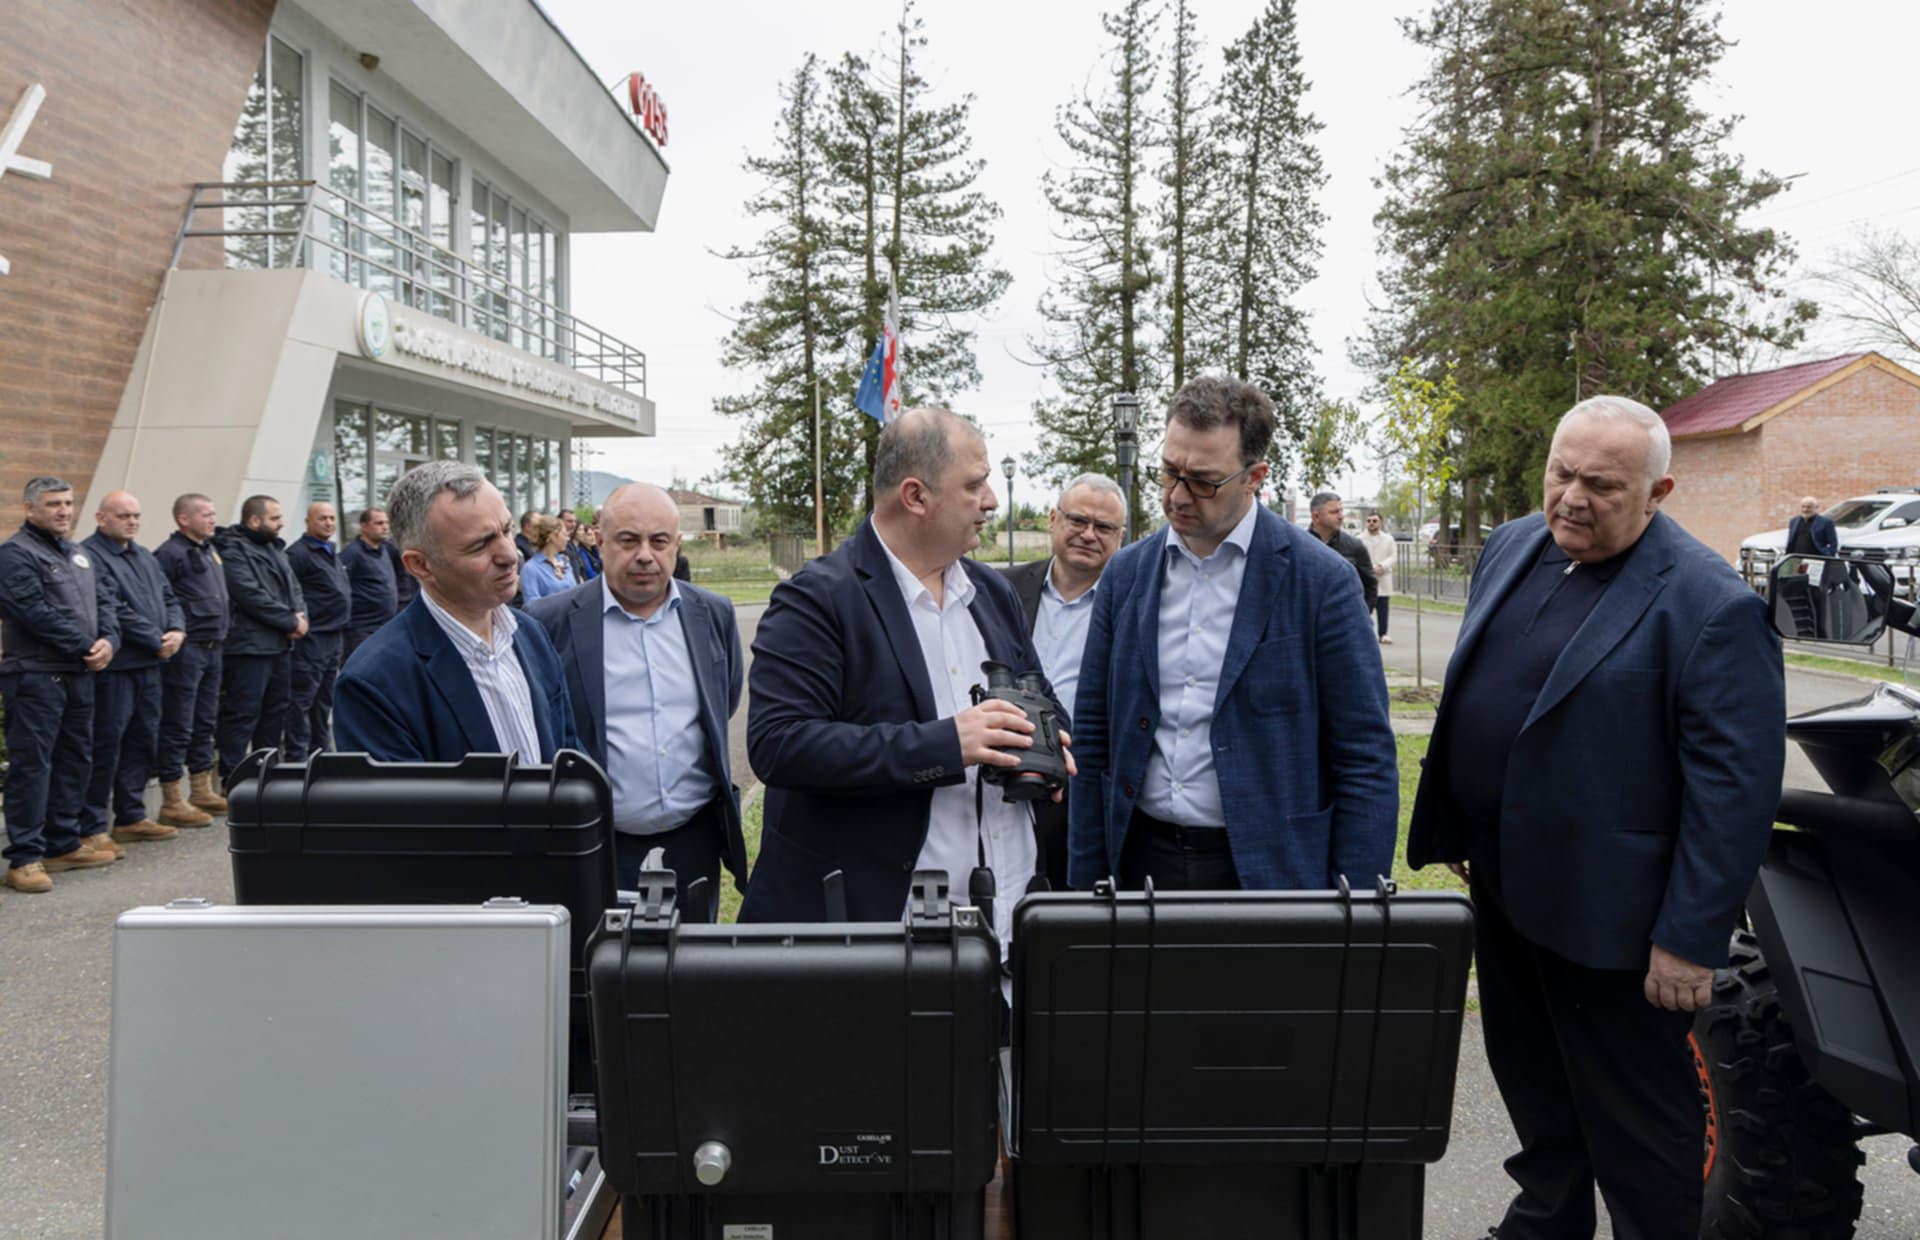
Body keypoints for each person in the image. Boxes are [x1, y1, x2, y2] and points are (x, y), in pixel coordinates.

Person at [1408, 396, 1786, 1240]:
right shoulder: (1514, 544)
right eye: (1561, 473)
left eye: (1602, 486)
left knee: (1638, 1125)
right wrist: (1465, 823)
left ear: (1659, 492)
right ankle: (1546, 1224)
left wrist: (1690, 938)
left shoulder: (1711, 604)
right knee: (1535, 1088)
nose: (1572, 499)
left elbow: (1735, 789)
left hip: (1620, 919)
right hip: (1506, 884)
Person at [740, 407, 1067, 946]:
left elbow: (1043, 700)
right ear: (915, 496)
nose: (991, 501)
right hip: (882, 934)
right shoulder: (817, 598)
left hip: (1007, 917)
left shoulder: (993, 592)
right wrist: (947, 744)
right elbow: (779, 744)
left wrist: (1050, 744)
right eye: (974, 485)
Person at [1067, 377, 1397, 893]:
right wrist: (1085, 881)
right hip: (1138, 863)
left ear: (1254, 477)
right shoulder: (1125, 575)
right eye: (1169, 472)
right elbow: (1092, 737)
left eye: (1203, 481)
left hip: (1272, 875)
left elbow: (1364, 757)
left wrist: (1354, 908)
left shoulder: (1322, 581)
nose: (1177, 495)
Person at [528, 483, 746, 913]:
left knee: (694, 954)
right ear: (599, 540)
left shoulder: (713, 614)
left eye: (659, 542)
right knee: (599, 954)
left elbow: (725, 700)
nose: (645, 555)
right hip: (596, 843)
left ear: (676, 545)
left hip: (695, 841)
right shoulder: (549, 622)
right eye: (628, 541)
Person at [334, 461, 579, 763]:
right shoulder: (374, 682)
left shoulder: (531, 634)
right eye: (480, 545)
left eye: (507, 530)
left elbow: (567, 752)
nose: (509, 555)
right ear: (420, 565)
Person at [997, 472, 1127, 889]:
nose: (1088, 534)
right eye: (1078, 520)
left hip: (1084, 789)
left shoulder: (1132, 604)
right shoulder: (1000, 589)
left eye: (1103, 527)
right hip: (1005, 775)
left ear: (1120, 537)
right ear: (1053, 519)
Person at [0, 477, 121, 892]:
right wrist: (86, 645)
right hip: (35, 676)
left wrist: (110, 641)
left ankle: (62, 844)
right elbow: (32, 611)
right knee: (33, 766)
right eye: (53, 504)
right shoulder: (15, 554)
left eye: (68, 503)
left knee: (75, 759)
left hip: (78, 674)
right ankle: (25, 858)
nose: (64, 511)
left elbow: (105, 602)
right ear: (30, 508)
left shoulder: (77, 553)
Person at [81, 490, 185, 854]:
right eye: (124, 515)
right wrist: (156, 639)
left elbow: (170, 597)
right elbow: (113, 608)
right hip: (118, 668)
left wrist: (177, 630)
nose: (132, 522)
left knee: (142, 742)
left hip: (150, 666)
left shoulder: (144, 555)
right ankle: (93, 826)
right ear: (101, 518)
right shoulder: (90, 556)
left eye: (136, 515)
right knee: (106, 744)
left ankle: (131, 816)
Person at [214, 495, 306, 783]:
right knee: (243, 713)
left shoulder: (275, 548)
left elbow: (294, 588)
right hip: (249, 648)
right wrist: (290, 621)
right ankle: (233, 780)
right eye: (274, 518)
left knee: (275, 713)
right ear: (254, 521)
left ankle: (267, 776)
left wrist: (299, 615)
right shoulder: (233, 550)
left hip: (280, 645)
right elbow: (249, 594)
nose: (281, 523)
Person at [154, 492, 230, 826]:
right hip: (188, 650)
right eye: (205, 514)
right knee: (179, 722)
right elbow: (162, 600)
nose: (213, 519)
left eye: (213, 513)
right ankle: (173, 798)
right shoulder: (170, 554)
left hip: (214, 647)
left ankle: (201, 789)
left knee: (205, 720)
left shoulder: (209, 550)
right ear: (183, 519)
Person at [283, 502, 352, 762]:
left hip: (335, 637)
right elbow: (290, 593)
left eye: (332, 518)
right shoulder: (298, 554)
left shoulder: (331, 551)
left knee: (325, 700)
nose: (329, 523)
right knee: (302, 700)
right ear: (308, 521)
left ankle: (321, 753)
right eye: (322, 518)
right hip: (312, 639)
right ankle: (297, 757)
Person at [339, 507, 412, 658]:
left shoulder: (385, 551)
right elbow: (340, 587)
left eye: (386, 523)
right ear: (364, 526)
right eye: (379, 523)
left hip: (384, 626)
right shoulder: (352, 554)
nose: (385, 527)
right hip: (360, 630)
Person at [1308, 491, 1380, 621]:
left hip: (1344, 622)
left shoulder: (1355, 546)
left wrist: (1361, 617)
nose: (1341, 516)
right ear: (1316, 516)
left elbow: (1370, 584)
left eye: (1341, 511)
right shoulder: (1300, 546)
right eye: (1334, 512)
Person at [1360, 511, 1397, 645]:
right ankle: (1365, 633)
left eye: (1374, 521)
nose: (1371, 523)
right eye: (1369, 521)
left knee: (1383, 607)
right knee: (1365, 607)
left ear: (1380, 522)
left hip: (1383, 577)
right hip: (1366, 578)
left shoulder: (1388, 539)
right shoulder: (1359, 539)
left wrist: (1382, 566)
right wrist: (1369, 568)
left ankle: (1383, 633)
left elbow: (1393, 556)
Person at [519, 514, 574, 601]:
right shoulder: (530, 569)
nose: (568, 539)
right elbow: (532, 605)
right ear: (552, 536)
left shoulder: (564, 561)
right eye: (564, 534)